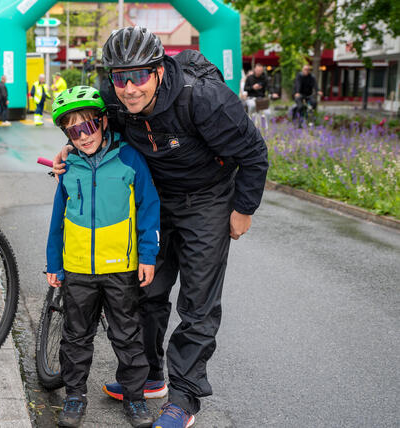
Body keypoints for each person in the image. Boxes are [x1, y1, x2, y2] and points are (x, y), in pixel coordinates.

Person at [53, 26, 268, 428]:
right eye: (120, 77)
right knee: (146, 290)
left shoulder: (202, 99)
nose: (130, 88)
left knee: (197, 302)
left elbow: (254, 153)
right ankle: (150, 375)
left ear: (160, 72)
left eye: (139, 76)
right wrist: (71, 147)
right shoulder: (114, 99)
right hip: (153, 196)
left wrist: (243, 208)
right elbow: (92, 129)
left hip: (208, 198)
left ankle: (184, 398)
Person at [46, 85, 161, 428]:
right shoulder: (69, 169)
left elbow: (149, 207)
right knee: (76, 336)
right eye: (73, 131)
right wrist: (54, 262)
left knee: (127, 335)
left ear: (103, 121)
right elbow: (57, 220)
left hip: (120, 268)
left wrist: (148, 255)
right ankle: (75, 396)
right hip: (78, 268)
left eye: (88, 127)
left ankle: (136, 397)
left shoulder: (128, 159)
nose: (83, 137)